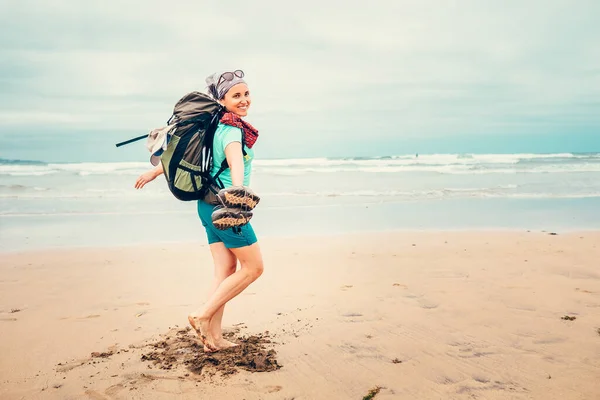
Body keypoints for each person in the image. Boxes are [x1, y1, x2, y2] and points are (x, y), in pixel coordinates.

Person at [134, 70, 264, 352]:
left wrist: (156, 171)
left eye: (246, 94)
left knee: (225, 271)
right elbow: (234, 162)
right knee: (254, 268)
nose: (243, 100)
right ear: (223, 99)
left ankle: (213, 339)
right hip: (225, 209)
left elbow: (203, 161)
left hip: (206, 206)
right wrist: (239, 194)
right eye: (236, 95)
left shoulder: (215, 126)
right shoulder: (231, 131)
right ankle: (202, 315)